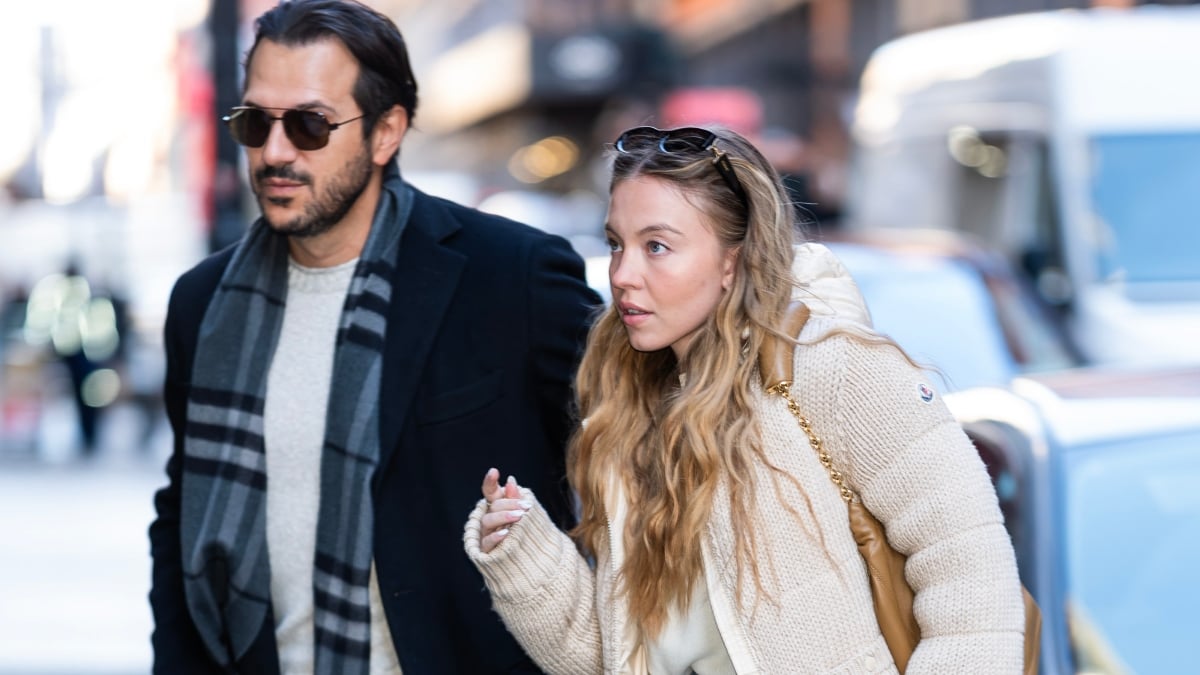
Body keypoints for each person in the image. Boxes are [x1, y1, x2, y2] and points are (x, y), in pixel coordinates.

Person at [463, 125, 1027, 673]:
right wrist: (525, 557)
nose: (622, 274)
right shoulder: (628, 414)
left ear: (732, 259)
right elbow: (623, 656)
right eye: (616, 244)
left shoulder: (834, 368)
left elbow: (974, 581)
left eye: (656, 246)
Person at [148, 1, 599, 673]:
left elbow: (642, 453)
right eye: (254, 122)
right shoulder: (202, 305)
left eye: (308, 124)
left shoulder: (515, 277)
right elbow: (183, 517)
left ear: (386, 132)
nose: (275, 152)